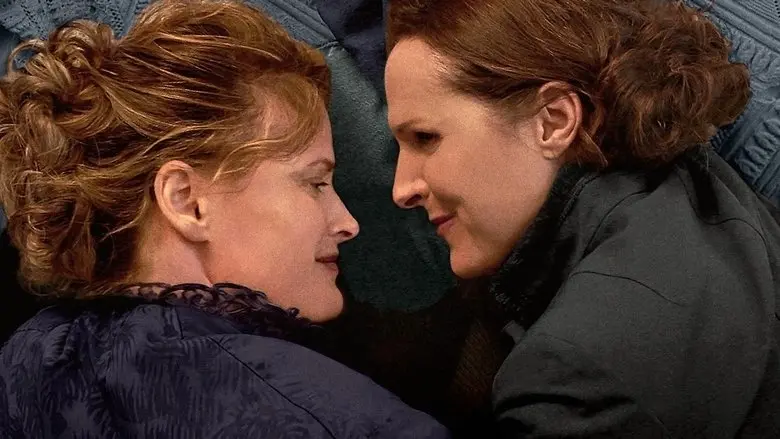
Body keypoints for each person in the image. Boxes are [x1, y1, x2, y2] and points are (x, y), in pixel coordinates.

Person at [0, 0, 451, 437]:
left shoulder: (25, 378)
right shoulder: (324, 418)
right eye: (315, 183)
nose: (348, 223)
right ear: (187, 202)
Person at [385, 0, 780, 437]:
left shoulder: (578, 379)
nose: (402, 189)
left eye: (425, 137)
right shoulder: (698, 191)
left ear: (554, 121)